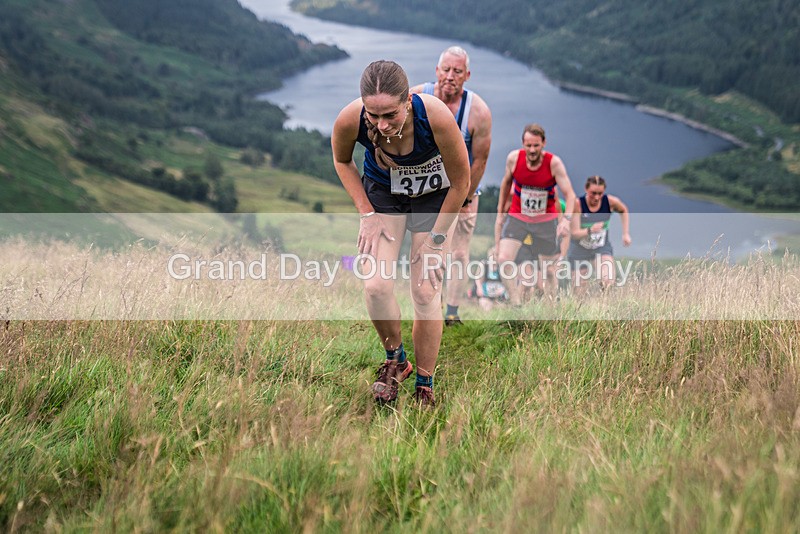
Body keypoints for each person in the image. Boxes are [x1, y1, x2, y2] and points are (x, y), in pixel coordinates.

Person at [331, 60, 470, 407]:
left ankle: (425, 382)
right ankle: (397, 361)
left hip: (434, 197)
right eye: (373, 115)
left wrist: (438, 241)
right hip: (384, 195)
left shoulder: (434, 116)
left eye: (390, 114)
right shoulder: (350, 118)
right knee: (376, 285)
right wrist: (366, 213)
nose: (382, 124)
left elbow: (462, 182)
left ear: (408, 100)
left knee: (425, 291)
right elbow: (342, 161)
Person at [411, 46, 492, 326]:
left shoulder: (478, 112)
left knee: (457, 253)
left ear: (467, 75)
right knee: (428, 249)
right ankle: (431, 301)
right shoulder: (417, 96)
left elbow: (480, 159)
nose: (450, 76)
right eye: (445, 69)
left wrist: (466, 196)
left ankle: (453, 312)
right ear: (437, 71)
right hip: (427, 190)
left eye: (457, 71)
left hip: (464, 192)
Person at [495, 123, 577, 304]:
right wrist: (500, 212)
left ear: (544, 143)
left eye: (536, 145)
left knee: (548, 270)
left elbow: (570, 194)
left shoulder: (553, 163)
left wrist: (566, 220)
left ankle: (550, 309)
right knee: (503, 259)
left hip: (545, 221)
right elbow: (505, 184)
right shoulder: (514, 159)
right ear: (523, 144)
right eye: (528, 145)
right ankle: (516, 303)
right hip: (518, 216)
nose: (532, 150)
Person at [568, 175, 631, 294]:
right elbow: (574, 233)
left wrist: (625, 233)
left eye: (600, 193)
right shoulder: (578, 204)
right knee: (579, 290)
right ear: (586, 189)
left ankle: (604, 308)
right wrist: (590, 230)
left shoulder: (611, 202)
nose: (596, 197)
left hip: (601, 247)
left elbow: (624, 210)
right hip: (579, 249)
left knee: (608, 281)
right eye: (593, 193)